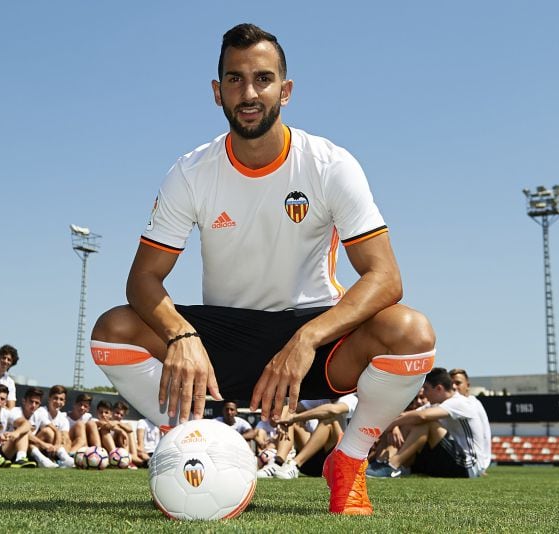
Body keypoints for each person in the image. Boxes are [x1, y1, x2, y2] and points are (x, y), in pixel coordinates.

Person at [90, 23, 436, 515]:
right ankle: (186, 443)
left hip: (311, 332)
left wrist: (306, 340)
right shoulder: (191, 171)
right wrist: (181, 337)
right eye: (234, 79)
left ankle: (350, 461)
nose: (248, 93)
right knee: (114, 330)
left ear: (285, 90)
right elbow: (142, 279)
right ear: (217, 92)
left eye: (262, 79)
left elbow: (386, 277)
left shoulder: (329, 164)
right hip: (222, 336)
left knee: (411, 332)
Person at [365, 367, 490, 478]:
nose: (423, 393)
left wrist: (391, 424)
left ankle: (393, 466)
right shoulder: (436, 404)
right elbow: (408, 416)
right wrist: (395, 427)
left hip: (469, 466)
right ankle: (382, 463)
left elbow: (422, 416)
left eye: (426, 388)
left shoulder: (460, 402)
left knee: (426, 423)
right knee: (410, 421)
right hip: (452, 459)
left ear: (439, 389)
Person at [259, 394, 358, 480]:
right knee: (290, 420)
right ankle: (277, 463)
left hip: (334, 463)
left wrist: (294, 418)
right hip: (309, 463)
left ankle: (294, 464)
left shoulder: (351, 399)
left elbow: (332, 410)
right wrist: (282, 421)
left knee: (329, 420)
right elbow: (290, 408)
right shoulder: (320, 399)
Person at [12, 386, 58, 468]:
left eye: (37, 403)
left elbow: (56, 430)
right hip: (12, 449)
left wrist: (56, 446)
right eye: (31, 402)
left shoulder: (38, 414)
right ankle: (41, 460)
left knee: (48, 431)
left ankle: (60, 458)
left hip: (30, 448)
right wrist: (43, 444)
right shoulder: (15, 411)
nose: (33, 405)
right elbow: (26, 433)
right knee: (24, 433)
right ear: (24, 401)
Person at [33, 385, 75, 467]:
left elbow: (65, 438)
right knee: (48, 431)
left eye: (61, 399)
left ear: (64, 402)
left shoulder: (63, 419)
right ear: (49, 399)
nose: (58, 402)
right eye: (55, 398)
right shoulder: (41, 411)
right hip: (36, 447)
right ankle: (54, 458)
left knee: (66, 439)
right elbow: (54, 430)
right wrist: (57, 444)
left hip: (53, 449)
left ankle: (63, 459)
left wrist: (59, 445)